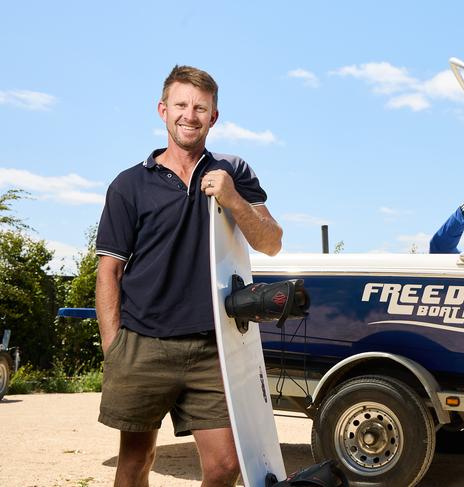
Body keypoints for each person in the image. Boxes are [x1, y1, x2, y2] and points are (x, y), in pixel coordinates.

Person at [95, 65, 282, 487]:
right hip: (143, 343)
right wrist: (115, 346)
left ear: (213, 117)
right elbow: (109, 270)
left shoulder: (234, 171)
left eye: (201, 108)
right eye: (181, 105)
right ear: (163, 110)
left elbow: (271, 242)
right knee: (135, 463)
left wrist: (233, 199)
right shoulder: (129, 185)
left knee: (225, 466)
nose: (190, 115)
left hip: (211, 346)